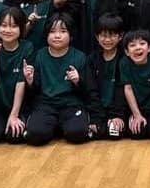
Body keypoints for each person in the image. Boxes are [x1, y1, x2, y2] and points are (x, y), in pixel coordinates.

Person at [24, 12, 98, 145]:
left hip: (71, 104)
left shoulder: (80, 57)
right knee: (35, 135)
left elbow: (89, 91)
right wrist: (30, 81)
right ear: (47, 34)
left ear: (71, 35)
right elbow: (34, 90)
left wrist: (77, 82)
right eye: (52, 31)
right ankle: (54, 126)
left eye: (63, 31)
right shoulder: (40, 55)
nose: (57, 36)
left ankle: (62, 126)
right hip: (46, 105)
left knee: (78, 133)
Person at [0, 7, 35, 144]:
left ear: (21, 28)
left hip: (20, 105)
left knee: (14, 136)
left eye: (13, 26)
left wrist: (14, 115)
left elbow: (21, 82)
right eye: (4, 25)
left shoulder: (27, 47)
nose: (7, 30)